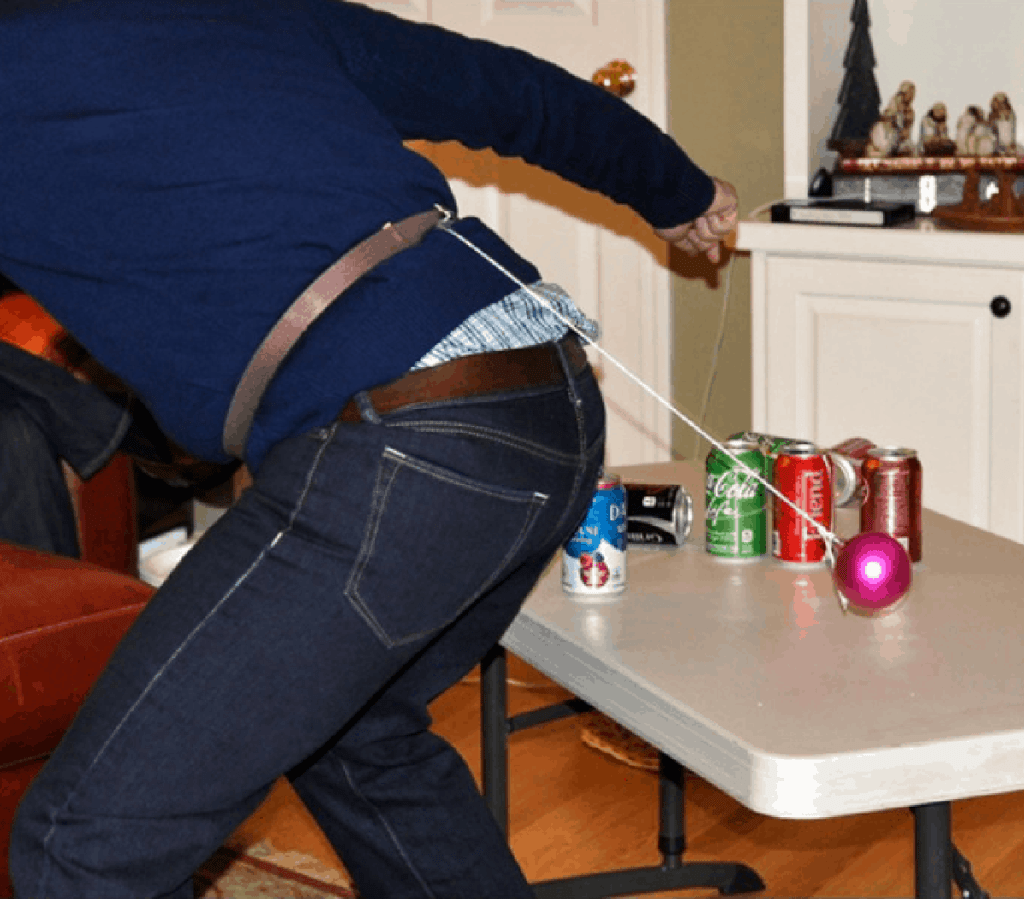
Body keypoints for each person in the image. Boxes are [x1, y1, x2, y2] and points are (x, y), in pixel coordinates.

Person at [2, 2, 737, 897]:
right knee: (360, 740)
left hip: (403, 440)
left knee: (80, 843)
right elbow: (506, 88)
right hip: (546, 404)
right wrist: (680, 191)